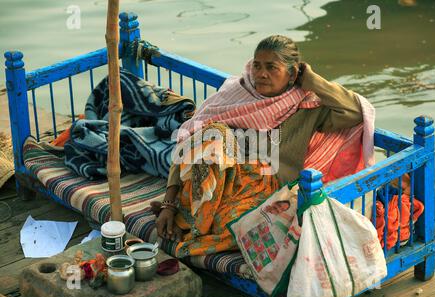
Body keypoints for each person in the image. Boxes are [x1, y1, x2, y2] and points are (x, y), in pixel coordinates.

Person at [155, 35, 374, 258]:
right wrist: (168, 205)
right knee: (213, 135)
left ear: (293, 74)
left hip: (265, 190)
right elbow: (188, 144)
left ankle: (194, 223)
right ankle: (191, 218)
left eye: (272, 67)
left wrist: (311, 80)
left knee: (237, 225)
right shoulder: (236, 94)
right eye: (257, 66)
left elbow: (354, 112)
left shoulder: (307, 106)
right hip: (223, 181)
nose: (261, 74)